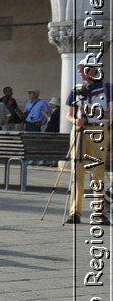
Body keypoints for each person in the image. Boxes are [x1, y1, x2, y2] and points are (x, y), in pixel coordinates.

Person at [65, 58, 109, 225]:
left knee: (97, 172)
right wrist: (74, 120)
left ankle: (98, 212)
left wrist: (91, 112)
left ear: (93, 70)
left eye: (82, 68)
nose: (80, 71)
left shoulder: (107, 88)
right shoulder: (76, 90)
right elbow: (68, 114)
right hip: (78, 132)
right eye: (79, 68)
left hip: (98, 130)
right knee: (77, 171)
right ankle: (74, 212)